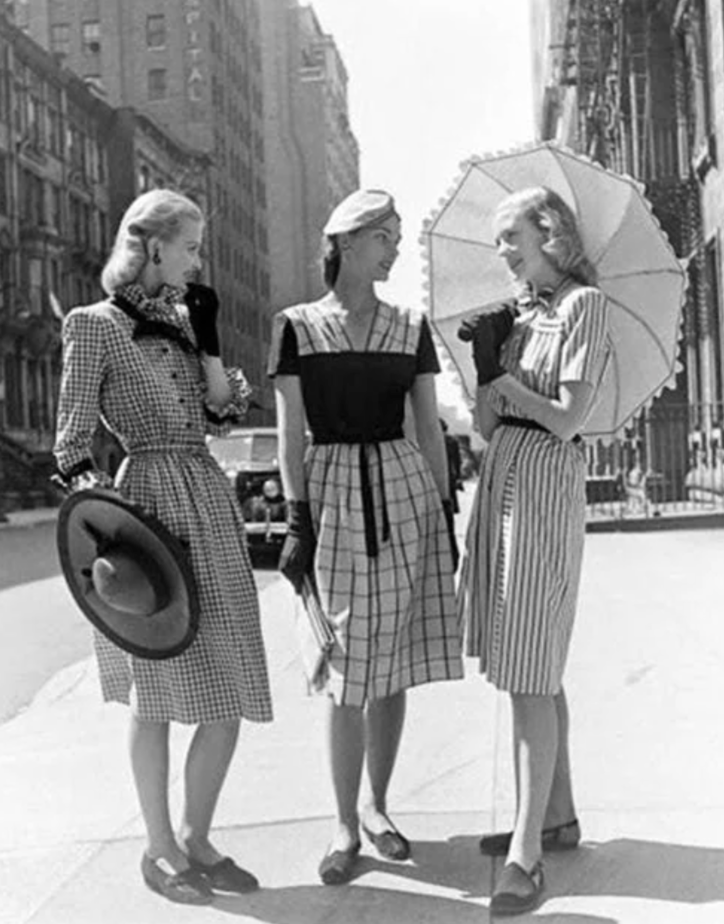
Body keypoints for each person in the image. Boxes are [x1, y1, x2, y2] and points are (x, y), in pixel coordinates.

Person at [53, 189, 273, 905]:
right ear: (152, 246)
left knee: (228, 684)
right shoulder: (96, 326)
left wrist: (207, 342)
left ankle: (199, 838)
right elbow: (70, 442)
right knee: (155, 693)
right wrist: (109, 525)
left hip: (207, 497)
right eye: (190, 246)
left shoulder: (183, 320)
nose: (197, 259)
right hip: (145, 503)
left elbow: (219, 412)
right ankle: (160, 849)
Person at [268, 189, 463, 886]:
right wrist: (297, 518)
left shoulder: (411, 325)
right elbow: (292, 435)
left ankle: (379, 808)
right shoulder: (296, 326)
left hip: (404, 493)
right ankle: (343, 821)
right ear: (348, 243)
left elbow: (429, 428)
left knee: (395, 657)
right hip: (333, 495)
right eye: (387, 236)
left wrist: (443, 515)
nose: (397, 247)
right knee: (346, 664)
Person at [458, 187, 610, 916]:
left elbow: (570, 417)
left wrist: (510, 379)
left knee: (528, 664)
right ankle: (555, 817)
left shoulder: (584, 306)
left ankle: (527, 854)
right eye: (497, 242)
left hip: (546, 480)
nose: (503, 252)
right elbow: (489, 423)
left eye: (510, 236)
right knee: (533, 662)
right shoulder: (522, 316)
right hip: (505, 476)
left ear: (549, 233)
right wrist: (488, 366)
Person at [440, 417, 463, 512]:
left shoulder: (445, 441)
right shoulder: (452, 441)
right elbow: (457, 460)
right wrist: (458, 476)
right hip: (450, 473)